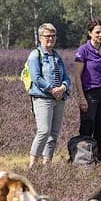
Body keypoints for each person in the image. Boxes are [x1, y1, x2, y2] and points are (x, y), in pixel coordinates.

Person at [27, 23, 71, 168]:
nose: (51, 39)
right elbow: (36, 78)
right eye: (47, 36)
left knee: (53, 133)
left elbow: (66, 77)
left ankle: (47, 165)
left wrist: (63, 87)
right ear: (40, 38)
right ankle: (33, 164)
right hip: (43, 98)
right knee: (44, 131)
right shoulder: (35, 55)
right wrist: (52, 90)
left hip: (59, 99)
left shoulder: (57, 56)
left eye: (53, 36)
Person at [73, 18, 101, 162]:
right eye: (97, 32)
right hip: (90, 94)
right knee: (86, 128)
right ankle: (83, 161)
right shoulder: (83, 50)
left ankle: (98, 160)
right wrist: (81, 97)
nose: (100, 35)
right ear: (90, 33)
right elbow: (77, 76)